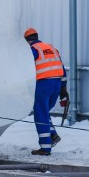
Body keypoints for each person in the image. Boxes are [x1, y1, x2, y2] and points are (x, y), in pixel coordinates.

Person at [24, 28, 68, 156]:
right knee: (44, 111)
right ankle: (52, 134)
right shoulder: (52, 48)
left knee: (40, 114)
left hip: (43, 84)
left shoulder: (32, 50)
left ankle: (45, 148)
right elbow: (62, 69)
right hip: (57, 83)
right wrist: (63, 90)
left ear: (27, 40)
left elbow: (26, 69)